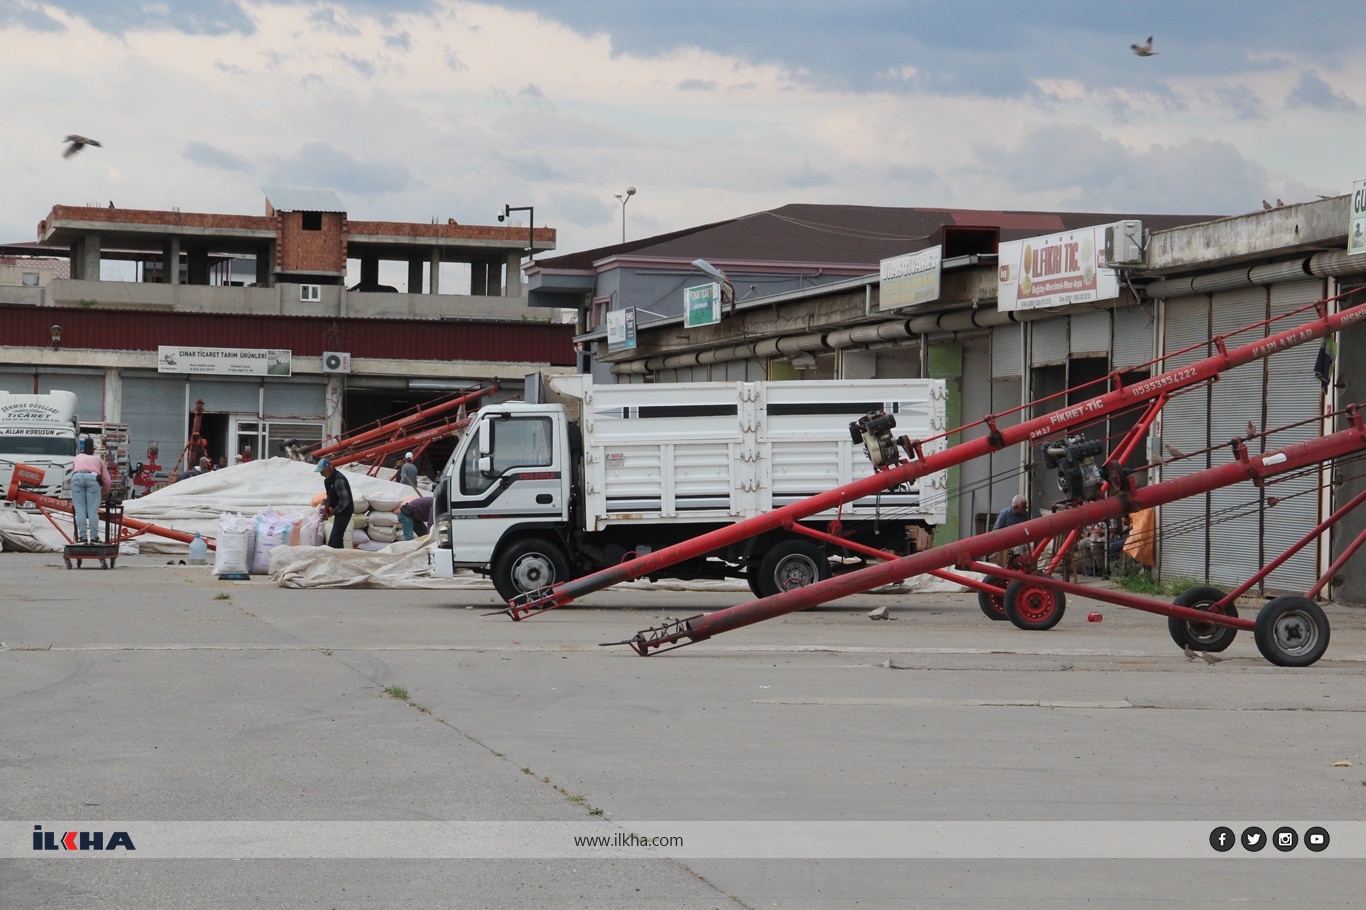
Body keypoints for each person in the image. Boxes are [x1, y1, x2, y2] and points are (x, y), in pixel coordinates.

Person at [71, 437, 112, 543]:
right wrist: (103, 494)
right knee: (92, 511)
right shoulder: (98, 460)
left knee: (80, 510)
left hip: (76, 478)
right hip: (93, 479)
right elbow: (107, 480)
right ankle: (94, 537)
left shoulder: (77, 458)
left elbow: (75, 470)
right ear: (93, 450)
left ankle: (82, 537)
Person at [316, 457, 354, 549]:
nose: (321, 474)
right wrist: (326, 504)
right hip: (338, 510)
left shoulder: (339, 480)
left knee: (335, 539)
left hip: (344, 511)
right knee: (338, 537)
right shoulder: (327, 481)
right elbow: (330, 495)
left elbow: (345, 501)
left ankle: (332, 557)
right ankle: (341, 557)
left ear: (328, 468)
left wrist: (333, 511)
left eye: (322, 471)